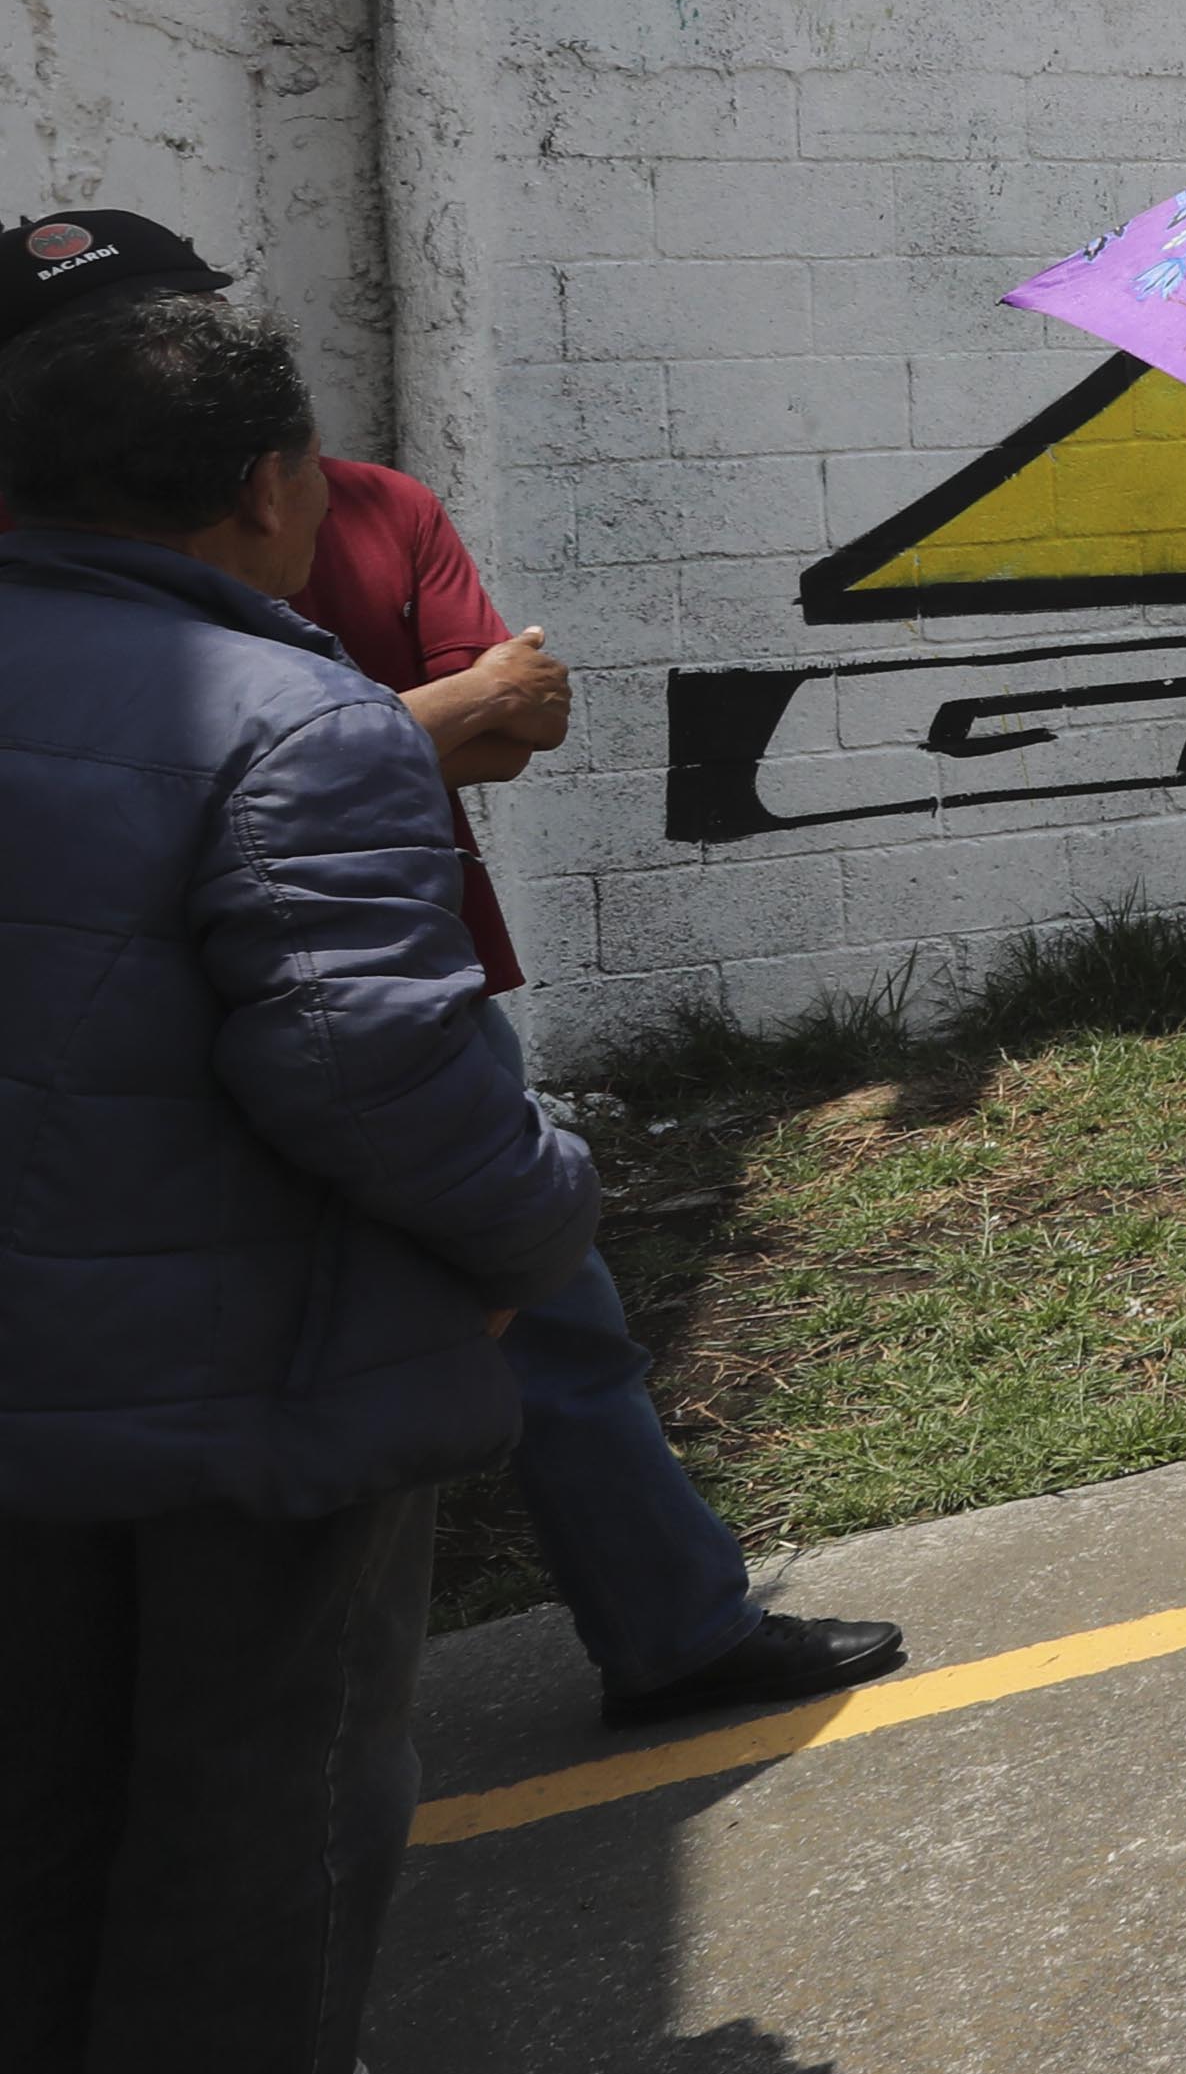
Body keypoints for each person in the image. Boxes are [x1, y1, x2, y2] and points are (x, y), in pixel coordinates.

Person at [0, 210, 905, 1729]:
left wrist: (405, 728)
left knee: (557, 1327)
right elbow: (425, 730)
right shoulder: (87, 600)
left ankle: (674, 1627)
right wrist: (411, 718)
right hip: (143, 1044)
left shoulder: (358, 507)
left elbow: (524, 722)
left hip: (391, 990)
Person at [0, 289, 592, 2074]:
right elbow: (370, 1057)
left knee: (55, 1785)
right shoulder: (294, 723)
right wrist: (535, 1216)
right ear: (269, 489)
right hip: (247, 1363)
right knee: (264, 1782)